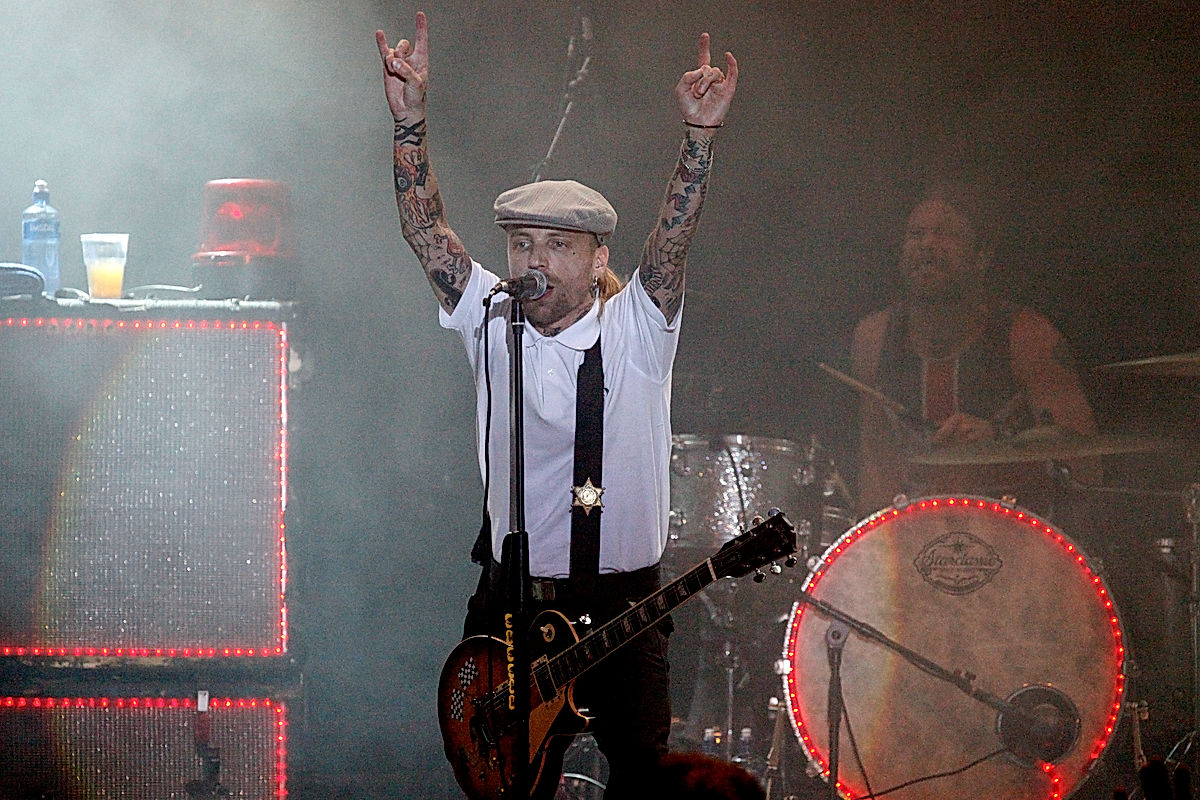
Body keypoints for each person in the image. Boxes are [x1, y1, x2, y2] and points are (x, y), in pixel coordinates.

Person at [375, 11, 738, 798]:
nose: (534, 260)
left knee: (640, 779)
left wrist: (698, 141)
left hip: (620, 607)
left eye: (558, 245)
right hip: (510, 604)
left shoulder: (637, 328)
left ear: (598, 255)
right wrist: (410, 121)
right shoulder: (492, 317)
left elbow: (674, 240)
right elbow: (425, 230)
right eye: (523, 244)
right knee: (509, 788)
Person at [850, 182, 1099, 516]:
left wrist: (1000, 443)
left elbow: (1086, 468)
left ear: (982, 257)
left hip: (1014, 542)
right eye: (916, 233)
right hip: (913, 543)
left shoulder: (1027, 336)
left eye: (947, 234)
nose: (928, 245)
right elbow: (875, 468)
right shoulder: (873, 338)